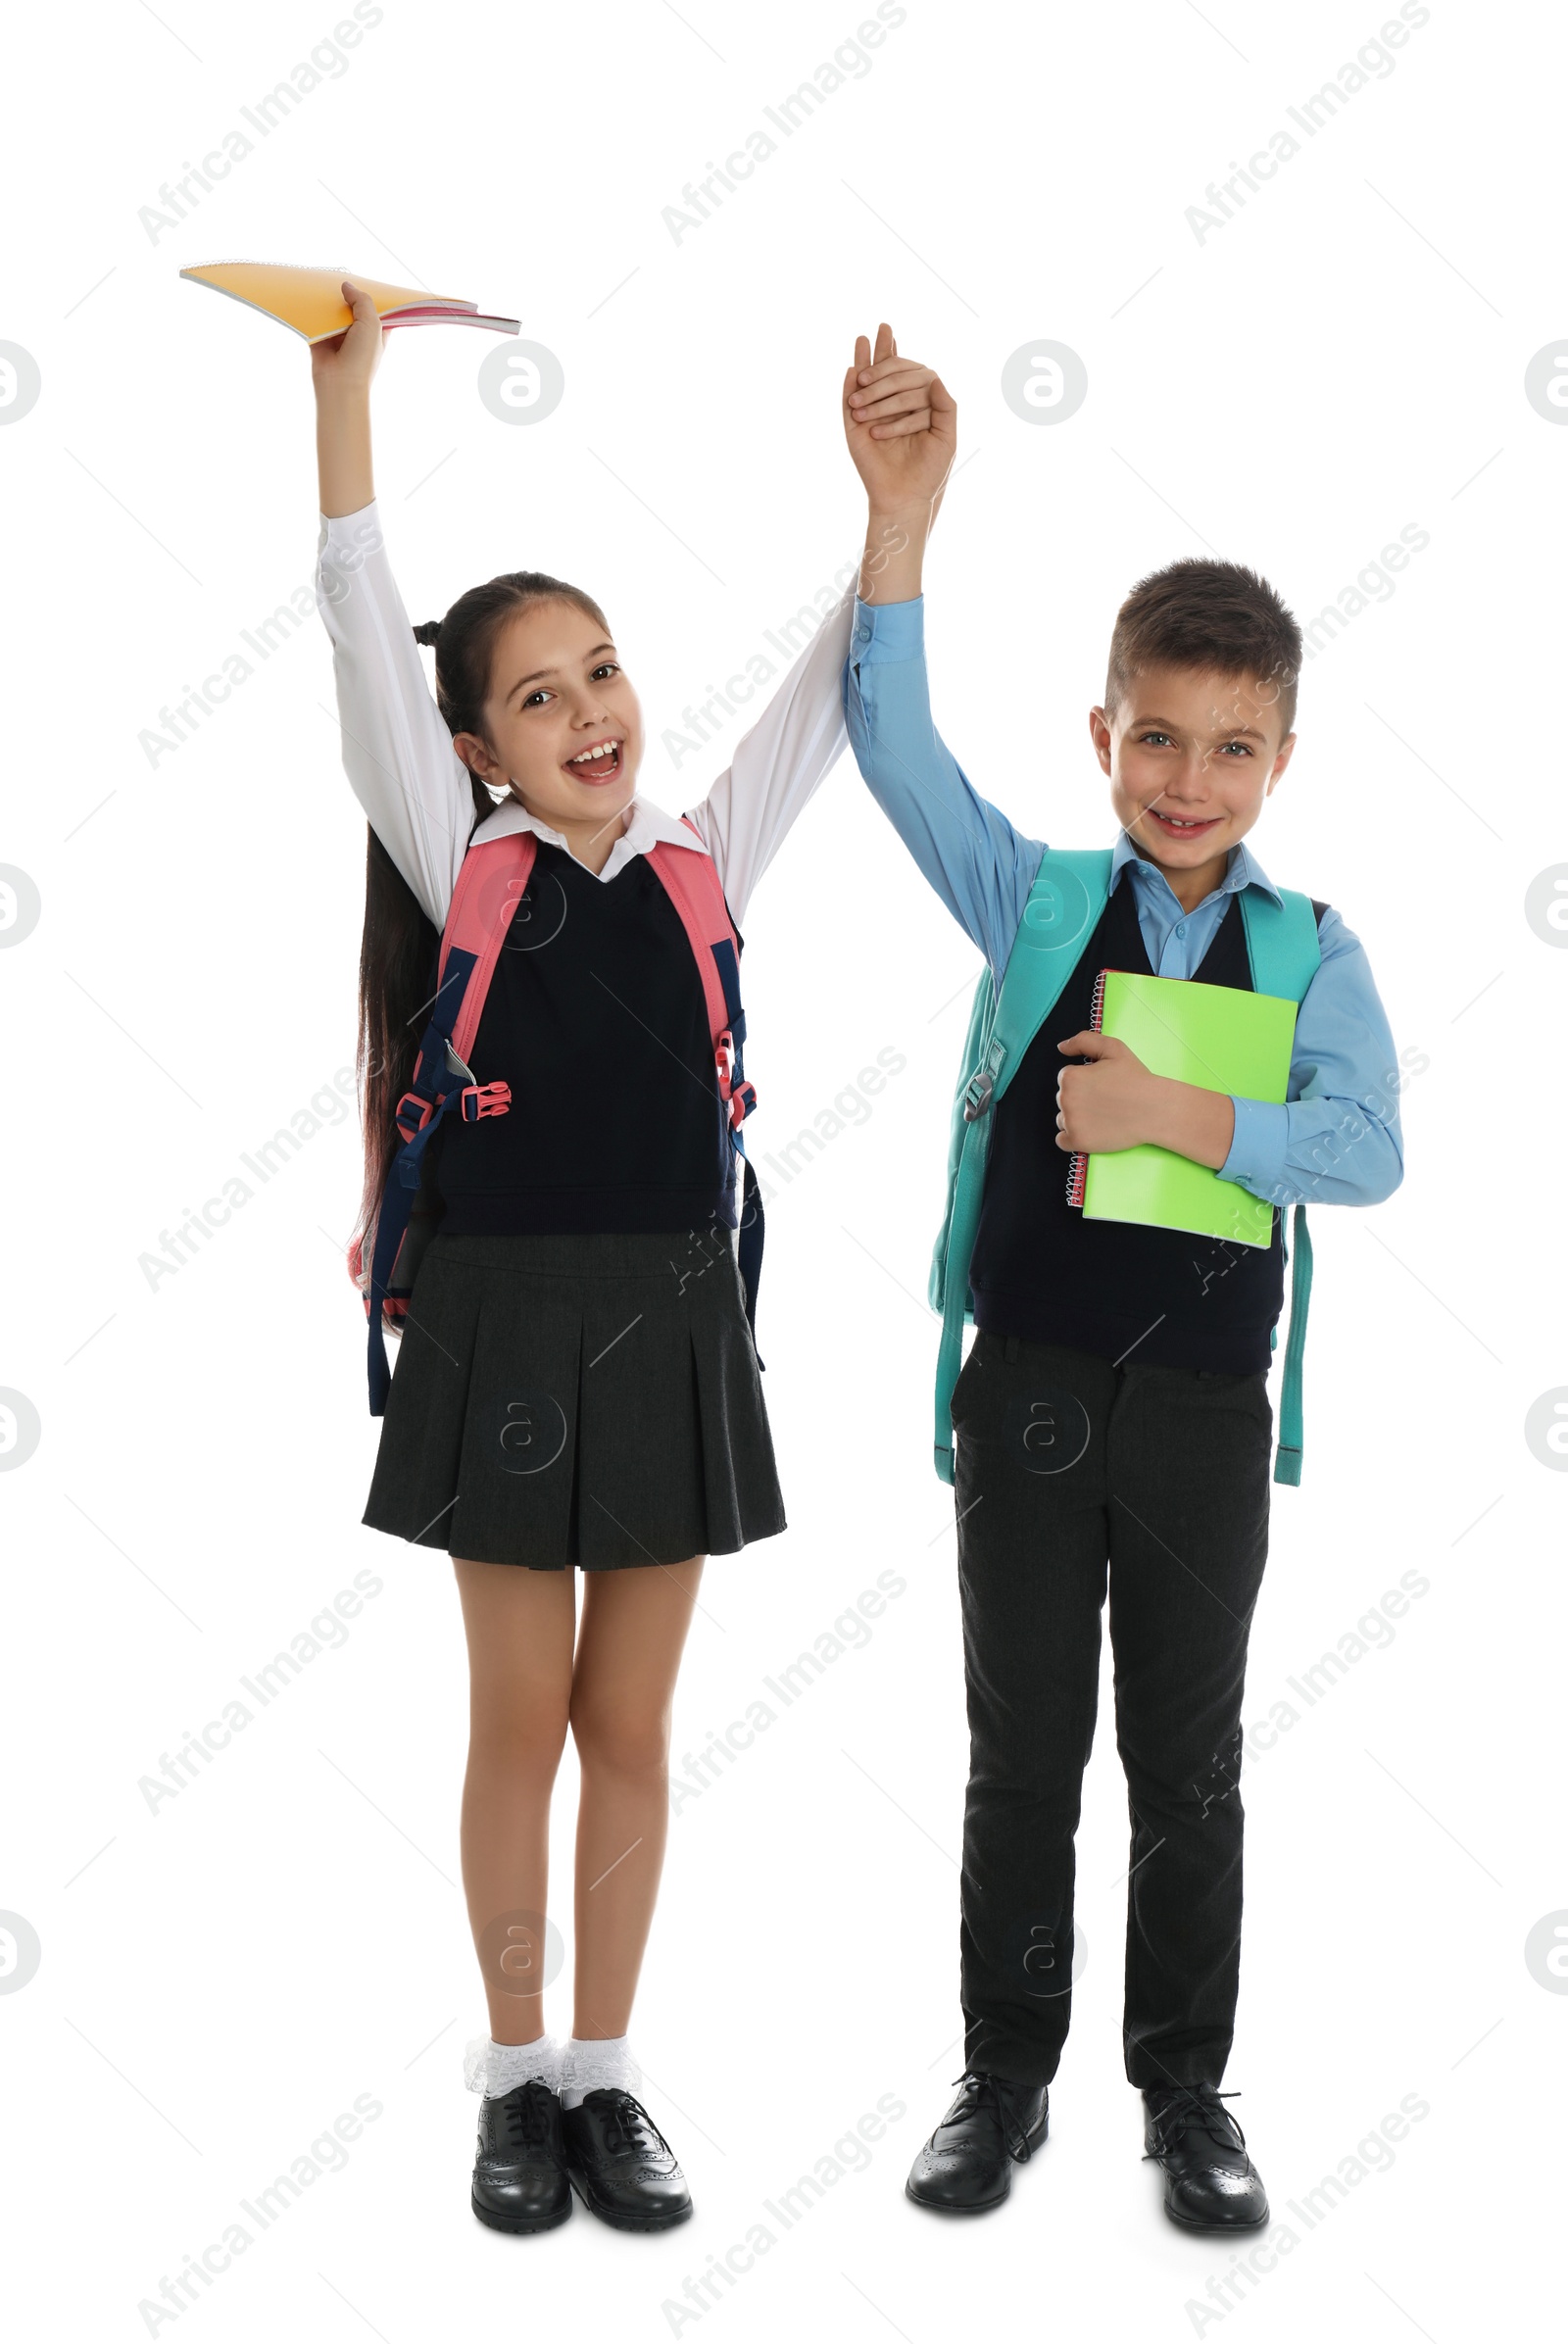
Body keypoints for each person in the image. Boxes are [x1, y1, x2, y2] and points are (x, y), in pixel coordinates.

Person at [309, 285, 915, 2233]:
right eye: (539, 696)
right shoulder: (455, 861)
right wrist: (347, 404)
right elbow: (352, 626)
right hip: (496, 1319)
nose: (590, 715)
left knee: (629, 1724)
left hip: (670, 1318)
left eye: (604, 673)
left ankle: (606, 2076)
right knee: (513, 1717)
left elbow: (833, 698)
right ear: (471, 747)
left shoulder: (697, 859)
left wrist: (889, 524)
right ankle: (508, 2083)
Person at [840, 332, 1404, 2225]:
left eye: (1231, 744)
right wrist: (901, 523)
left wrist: (1181, 1111)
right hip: (1031, 1387)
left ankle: (1187, 2098)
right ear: (1102, 735)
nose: (1187, 776)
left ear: (1281, 758)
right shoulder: (1041, 908)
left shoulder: (1314, 950)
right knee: (1023, 1754)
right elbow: (897, 751)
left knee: (1188, 1758)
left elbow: (1372, 1149)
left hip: (1195, 1416)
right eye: (1154, 735)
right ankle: (1001, 2083)